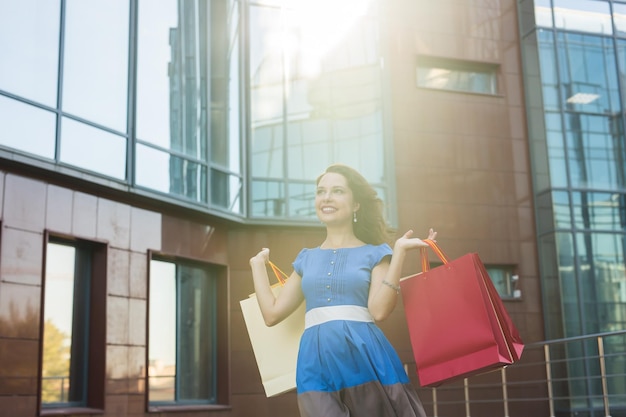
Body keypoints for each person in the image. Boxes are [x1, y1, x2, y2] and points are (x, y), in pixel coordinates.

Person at [249, 164, 436, 417]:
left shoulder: (376, 253)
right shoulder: (306, 259)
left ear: (356, 204)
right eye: (321, 191)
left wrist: (399, 252)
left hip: (364, 355)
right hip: (313, 363)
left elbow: (379, 311)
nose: (326, 197)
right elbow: (271, 314)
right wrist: (257, 266)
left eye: (337, 191)